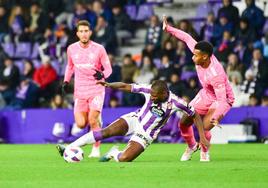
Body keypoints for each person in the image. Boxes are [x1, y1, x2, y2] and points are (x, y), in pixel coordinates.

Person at [57, 80, 209, 162]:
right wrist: (110, 85)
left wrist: (201, 137)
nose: (153, 97)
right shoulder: (149, 89)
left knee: (125, 159)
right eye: (152, 95)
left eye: (156, 96)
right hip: (135, 119)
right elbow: (126, 86)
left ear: (164, 93)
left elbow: (194, 114)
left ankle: (114, 153)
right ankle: (69, 147)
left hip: (146, 134)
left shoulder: (176, 102)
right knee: (106, 132)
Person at [163, 16, 234, 162]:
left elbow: (221, 100)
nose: (192, 57)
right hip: (207, 93)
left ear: (205, 57)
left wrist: (217, 116)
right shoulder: (200, 53)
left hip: (222, 99)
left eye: (195, 55)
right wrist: (169, 28)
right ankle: (191, 146)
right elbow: (187, 37)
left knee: (206, 126)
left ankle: (204, 151)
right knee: (183, 122)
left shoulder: (216, 73)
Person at [61, 20, 112, 158]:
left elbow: (108, 69)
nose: (84, 34)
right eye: (81, 31)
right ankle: (95, 120)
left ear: (90, 32)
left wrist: (102, 74)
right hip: (80, 91)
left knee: (92, 120)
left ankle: (96, 149)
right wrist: (66, 81)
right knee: (81, 124)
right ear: (77, 33)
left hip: (96, 89)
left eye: (86, 31)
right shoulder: (71, 48)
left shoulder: (99, 49)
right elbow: (70, 66)